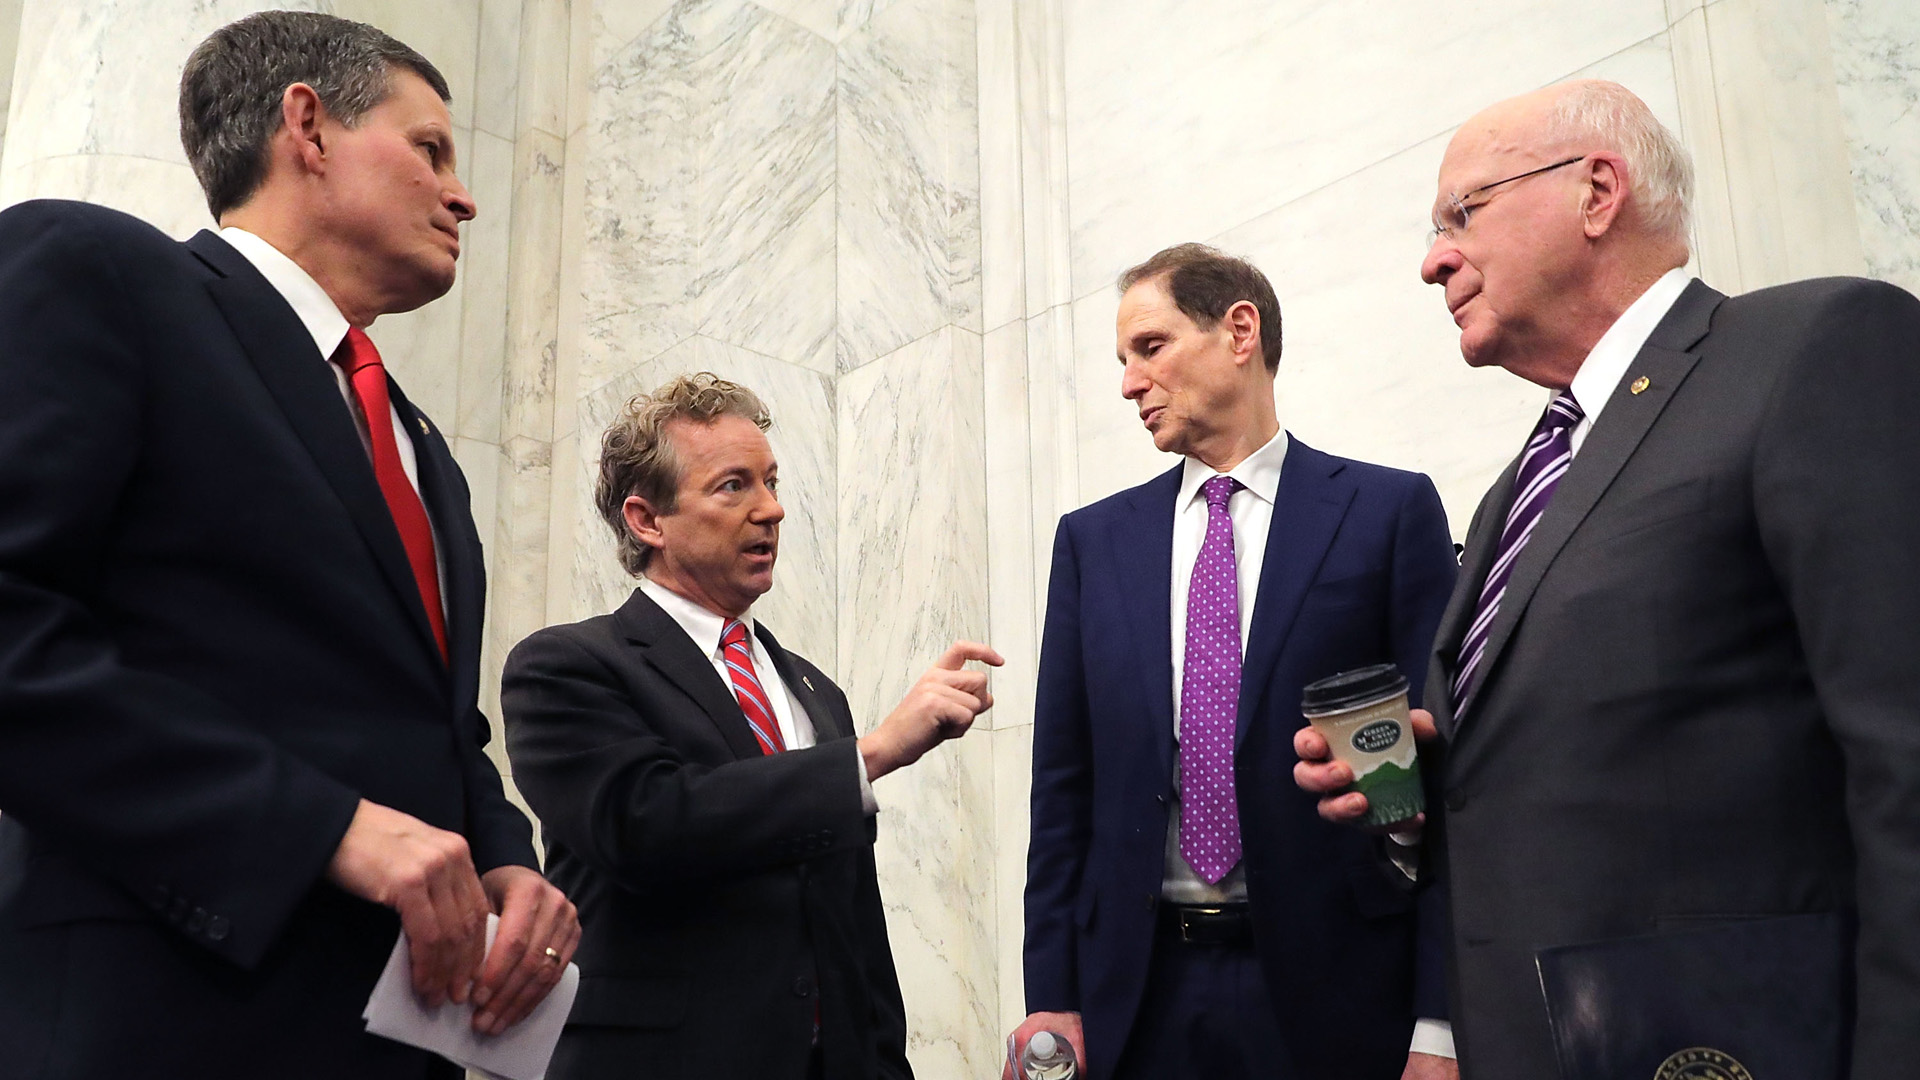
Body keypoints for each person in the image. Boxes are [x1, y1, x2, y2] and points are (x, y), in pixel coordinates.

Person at [1295, 79, 1920, 1079]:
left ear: (1597, 190)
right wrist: (1421, 786)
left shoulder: (1816, 348)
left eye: (1464, 213)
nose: (1432, 260)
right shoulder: (1521, 484)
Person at [0, 13, 577, 1079]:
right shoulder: (100, 274)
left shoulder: (422, 449)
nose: (466, 196)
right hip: (155, 1022)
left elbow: (436, 721)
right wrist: (320, 830)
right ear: (306, 125)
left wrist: (503, 859)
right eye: (430, 150)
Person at [1009, 244, 1460, 1080]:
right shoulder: (1093, 544)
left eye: (1150, 348)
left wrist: (1439, 1022)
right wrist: (1051, 995)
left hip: (1343, 995)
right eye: (1122, 361)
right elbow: (1063, 789)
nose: (1128, 384)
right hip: (1137, 1002)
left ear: (1239, 330)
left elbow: (1438, 787)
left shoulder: (1387, 514)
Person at [501, 373, 1003, 1080]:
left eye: (771, 482)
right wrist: (871, 755)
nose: (772, 510)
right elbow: (645, 825)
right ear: (647, 520)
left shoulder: (814, 691)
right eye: (733, 486)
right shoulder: (567, 665)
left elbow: (853, 921)